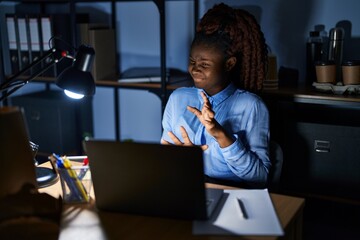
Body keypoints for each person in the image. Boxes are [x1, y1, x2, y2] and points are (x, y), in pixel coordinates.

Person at [161, 3, 270, 188]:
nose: (194, 69)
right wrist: (183, 159)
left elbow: (260, 177)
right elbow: (165, 159)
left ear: (229, 64)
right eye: (192, 61)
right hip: (186, 188)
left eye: (204, 64)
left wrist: (220, 135)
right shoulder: (178, 99)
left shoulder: (251, 106)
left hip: (231, 193)